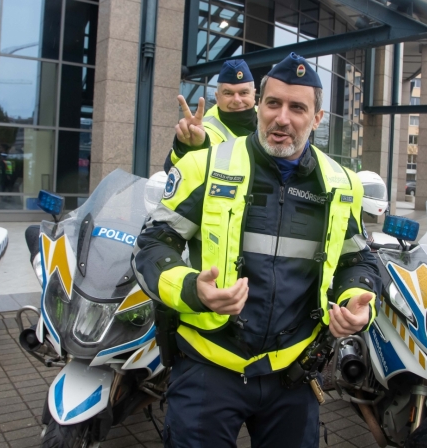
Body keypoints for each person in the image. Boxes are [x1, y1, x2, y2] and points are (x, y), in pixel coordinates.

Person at [134, 52, 382, 447]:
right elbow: (152, 245)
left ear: (317, 118)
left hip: (293, 374)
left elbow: (357, 259)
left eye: (297, 108)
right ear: (258, 107)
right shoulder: (204, 167)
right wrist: (192, 289)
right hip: (207, 369)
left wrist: (356, 300)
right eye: (273, 104)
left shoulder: (341, 183)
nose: (282, 118)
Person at [165, 59, 257, 172]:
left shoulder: (269, 118)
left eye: (244, 93)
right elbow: (173, 170)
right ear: (217, 98)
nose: (237, 100)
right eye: (228, 93)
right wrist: (188, 147)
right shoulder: (203, 130)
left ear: (253, 94)